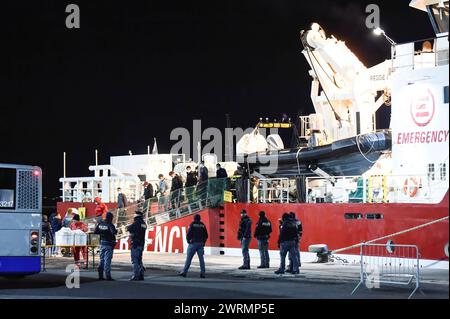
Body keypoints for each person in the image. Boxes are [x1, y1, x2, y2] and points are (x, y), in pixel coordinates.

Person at [179, 214, 208, 278]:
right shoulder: (203, 225)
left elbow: (189, 233)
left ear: (194, 218)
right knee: (201, 259)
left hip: (193, 243)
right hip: (200, 243)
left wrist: (188, 240)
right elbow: (206, 235)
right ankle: (203, 273)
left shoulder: (192, 224)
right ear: (200, 218)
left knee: (189, 258)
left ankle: (184, 272)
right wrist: (203, 242)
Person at [94, 212, 117, 280]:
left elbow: (95, 232)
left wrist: (102, 234)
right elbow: (114, 232)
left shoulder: (100, 224)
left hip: (102, 243)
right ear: (111, 218)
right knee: (107, 260)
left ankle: (100, 275)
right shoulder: (110, 224)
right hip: (109, 243)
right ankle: (108, 276)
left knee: (102, 259)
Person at [126, 211, 147, 281]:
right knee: (139, 260)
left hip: (135, 244)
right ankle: (141, 275)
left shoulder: (136, 223)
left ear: (136, 216)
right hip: (141, 244)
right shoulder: (144, 224)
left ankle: (136, 276)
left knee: (135, 261)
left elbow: (129, 228)